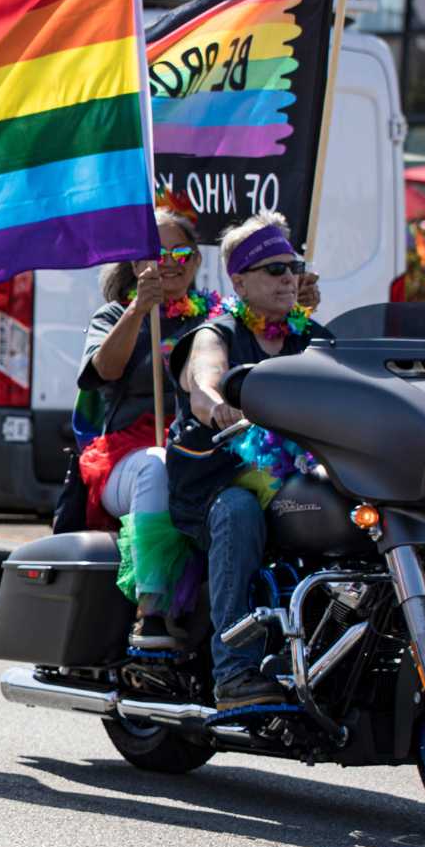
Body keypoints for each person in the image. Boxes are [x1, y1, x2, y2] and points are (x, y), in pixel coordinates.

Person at [170, 212, 324, 710]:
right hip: (216, 483)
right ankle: (234, 670)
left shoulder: (310, 338)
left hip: (295, 480)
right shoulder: (218, 333)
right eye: (273, 269)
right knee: (239, 509)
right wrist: (215, 402)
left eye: (293, 267)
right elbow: (204, 378)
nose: (288, 278)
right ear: (239, 279)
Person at [78, 204, 212, 651]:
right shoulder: (112, 315)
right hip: (127, 459)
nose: (168, 263)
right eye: (156, 253)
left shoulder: (215, 318)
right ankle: (151, 611)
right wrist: (138, 310)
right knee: (158, 465)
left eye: (180, 253)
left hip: (201, 451)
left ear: (195, 261)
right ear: (136, 263)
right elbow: (107, 371)